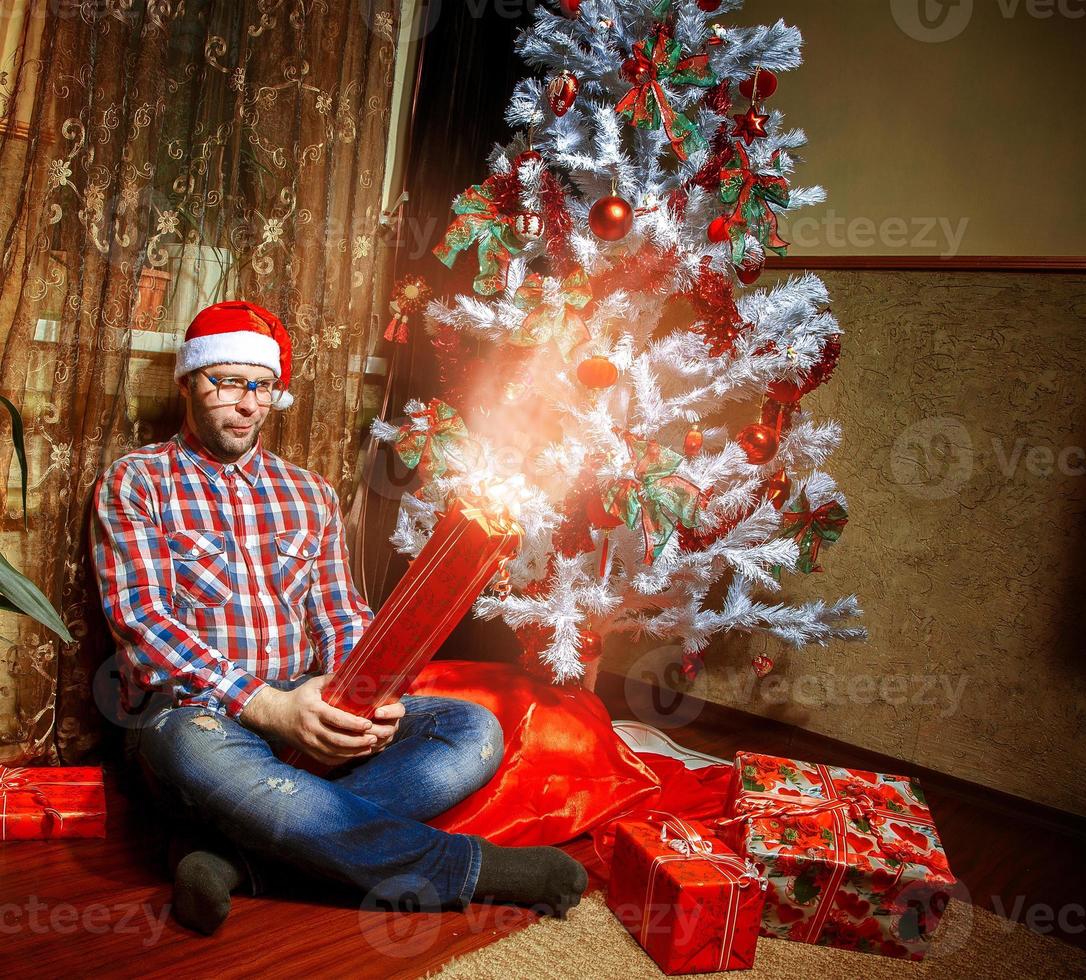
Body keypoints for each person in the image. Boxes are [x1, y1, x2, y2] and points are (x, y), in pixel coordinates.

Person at [90, 301, 587, 935]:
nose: (246, 403)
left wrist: (370, 696)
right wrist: (270, 708)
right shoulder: (137, 482)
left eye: (262, 385)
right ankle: (467, 868)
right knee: (187, 746)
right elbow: (145, 630)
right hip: (196, 717)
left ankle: (234, 857)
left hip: (314, 702)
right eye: (226, 382)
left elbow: (341, 614)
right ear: (189, 381)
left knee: (471, 729)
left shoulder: (311, 493)